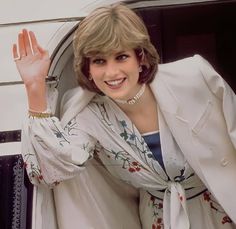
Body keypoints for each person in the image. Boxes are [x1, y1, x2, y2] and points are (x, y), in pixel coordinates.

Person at [12, 3, 236, 229]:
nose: (112, 72)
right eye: (99, 60)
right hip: (157, 220)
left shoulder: (193, 78)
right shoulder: (90, 116)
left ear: (141, 58)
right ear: (88, 68)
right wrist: (34, 87)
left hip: (221, 210)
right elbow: (53, 170)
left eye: (121, 57)